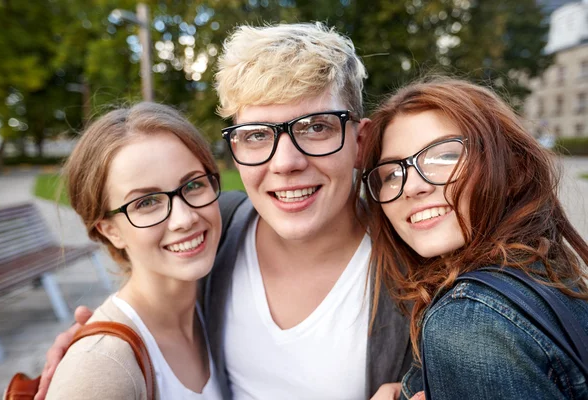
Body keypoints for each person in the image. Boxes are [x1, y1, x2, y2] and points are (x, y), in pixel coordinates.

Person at [36, 23, 413, 400]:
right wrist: (98, 358)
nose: (285, 162)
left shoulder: (417, 268)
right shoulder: (220, 228)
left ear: (360, 142)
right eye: (256, 135)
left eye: (316, 127)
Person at [358, 78, 588, 399]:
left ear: (515, 171)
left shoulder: (468, 321)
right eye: (392, 173)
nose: (411, 186)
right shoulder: (550, 276)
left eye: (444, 156)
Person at [45, 102, 224, 399]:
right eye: (146, 202)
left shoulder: (211, 302)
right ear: (110, 230)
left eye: (193, 185)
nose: (185, 218)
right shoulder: (102, 368)